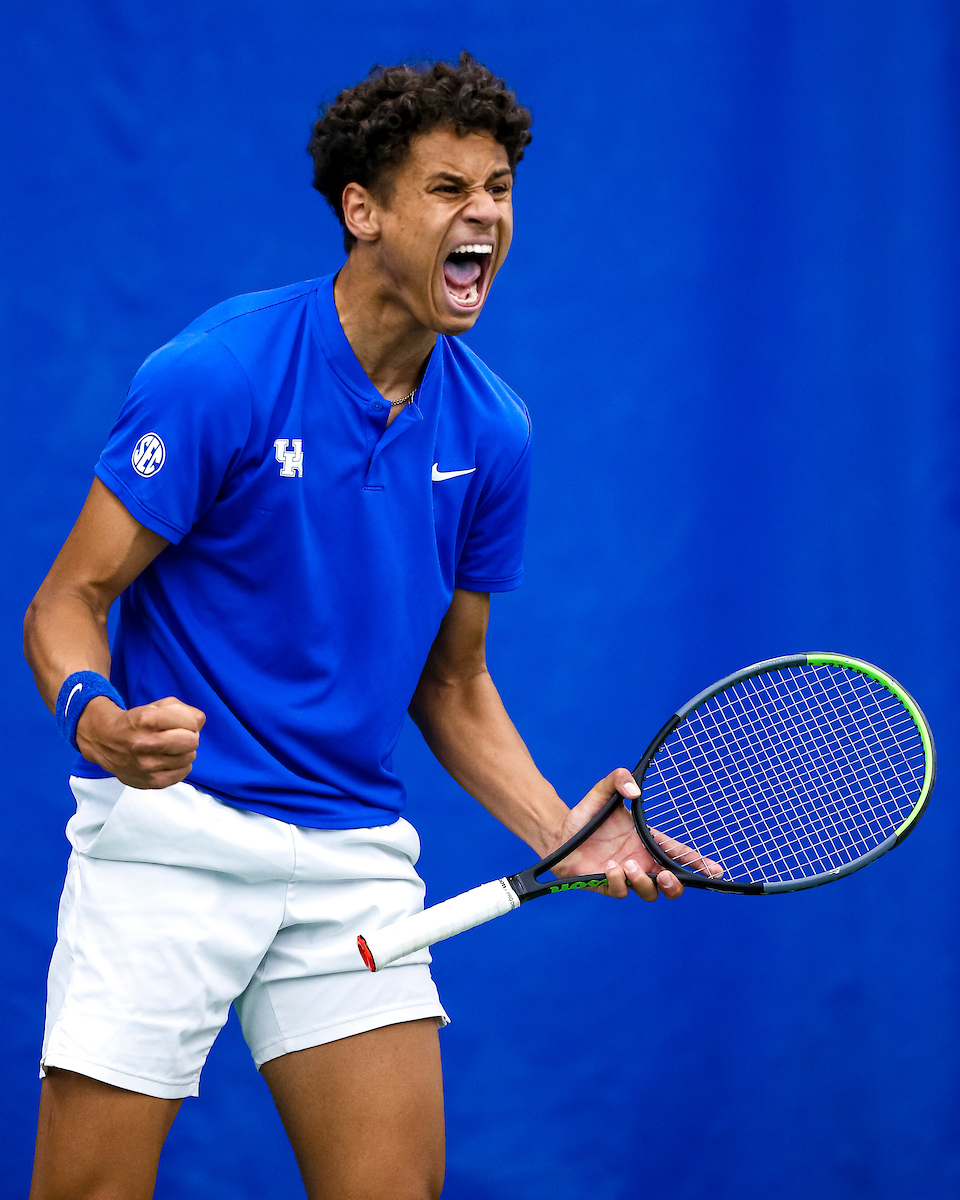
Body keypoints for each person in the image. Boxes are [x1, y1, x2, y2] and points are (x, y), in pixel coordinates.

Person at [23, 53, 683, 1200]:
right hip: (173, 842)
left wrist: (560, 831)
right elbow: (66, 601)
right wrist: (99, 721)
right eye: (447, 190)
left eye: (501, 190)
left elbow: (451, 683)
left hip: (349, 863)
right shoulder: (219, 374)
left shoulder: (495, 432)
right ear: (362, 211)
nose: (484, 214)